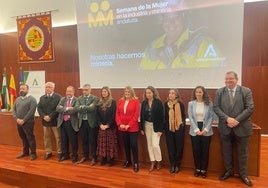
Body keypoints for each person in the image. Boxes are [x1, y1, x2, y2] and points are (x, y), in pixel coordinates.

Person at [140, 11, 224, 69]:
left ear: (184, 19)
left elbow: (212, 76)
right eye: (166, 18)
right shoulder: (152, 47)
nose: (171, 22)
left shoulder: (204, 44)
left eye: (176, 18)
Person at [214, 71, 254, 187]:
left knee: (243, 153)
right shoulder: (220, 92)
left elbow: (250, 108)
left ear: (236, 79)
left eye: (230, 79)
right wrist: (227, 119)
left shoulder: (246, 91)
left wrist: (236, 120)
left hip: (242, 127)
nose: (228, 81)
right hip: (225, 127)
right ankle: (229, 171)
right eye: (226, 79)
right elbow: (216, 107)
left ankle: (243, 175)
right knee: (226, 152)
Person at [188, 86, 214, 178]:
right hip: (194, 129)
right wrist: (196, 130)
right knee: (196, 150)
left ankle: (203, 169)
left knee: (205, 151)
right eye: (197, 92)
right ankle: (197, 168)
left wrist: (206, 129)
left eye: (200, 92)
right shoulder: (191, 103)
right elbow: (190, 117)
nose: (198, 94)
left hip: (206, 130)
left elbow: (211, 117)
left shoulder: (209, 103)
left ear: (203, 93)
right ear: (195, 94)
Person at [116, 86, 140, 172]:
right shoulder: (120, 101)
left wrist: (129, 125)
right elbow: (117, 114)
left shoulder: (136, 101)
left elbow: (136, 115)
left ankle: (136, 163)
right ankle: (128, 161)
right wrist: (120, 124)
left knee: (133, 145)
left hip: (132, 127)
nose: (127, 93)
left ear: (131, 92)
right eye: (125, 92)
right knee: (126, 145)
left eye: (128, 92)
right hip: (122, 127)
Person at [140, 86, 164, 172]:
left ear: (153, 93)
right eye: (147, 93)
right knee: (149, 145)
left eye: (150, 93)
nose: (148, 94)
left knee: (155, 145)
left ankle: (158, 161)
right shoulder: (144, 103)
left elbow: (162, 117)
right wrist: (142, 128)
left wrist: (161, 130)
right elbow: (142, 116)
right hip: (147, 125)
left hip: (156, 126)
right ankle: (152, 162)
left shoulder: (158, 102)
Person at [75, 84, 99, 165]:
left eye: (86, 90)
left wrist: (83, 107)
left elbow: (92, 108)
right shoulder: (79, 98)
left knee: (92, 141)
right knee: (84, 141)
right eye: (83, 90)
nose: (84, 91)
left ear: (90, 90)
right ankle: (85, 156)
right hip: (82, 122)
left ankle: (94, 158)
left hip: (91, 123)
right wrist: (86, 107)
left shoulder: (95, 98)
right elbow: (77, 108)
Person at [37, 82, 61, 161]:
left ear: (53, 88)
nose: (47, 88)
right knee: (46, 138)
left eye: (49, 87)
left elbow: (58, 109)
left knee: (58, 138)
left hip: (55, 121)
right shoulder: (42, 97)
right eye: (46, 87)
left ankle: (60, 152)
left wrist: (50, 116)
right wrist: (44, 116)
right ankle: (48, 152)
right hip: (45, 122)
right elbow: (39, 108)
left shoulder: (58, 97)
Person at [13, 84, 37, 160]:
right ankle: (25, 152)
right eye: (20, 89)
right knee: (23, 137)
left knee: (30, 138)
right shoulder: (17, 99)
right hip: (18, 122)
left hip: (28, 122)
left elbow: (31, 111)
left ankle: (33, 153)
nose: (21, 90)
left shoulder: (32, 99)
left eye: (23, 89)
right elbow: (13, 110)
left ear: (28, 90)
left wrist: (24, 120)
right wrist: (17, 119)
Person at [164, 88, 186, 174]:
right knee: (171, 147)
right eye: (170, 93)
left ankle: (177, 165)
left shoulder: (180, 104)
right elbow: (165, 117)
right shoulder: (166, 104)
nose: (171, 95)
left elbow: (183, 116)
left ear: (176, 95)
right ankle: (172, 164)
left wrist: (181, 125)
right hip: (169, 129)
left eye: (173, 93)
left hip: (179, 129)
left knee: (179, 147)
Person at [96, 86, 118, 166]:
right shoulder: (99, 102)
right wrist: (100, 124)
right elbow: (97, 115)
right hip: (101, 127)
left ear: (108, 92)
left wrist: (108, 125)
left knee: (110, 144)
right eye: (102, 92)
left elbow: (114, 115)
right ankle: (104, 158)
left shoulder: (113, 102)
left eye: (105, 91)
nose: (104, 93)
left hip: (110, 127)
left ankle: (111, 159)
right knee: (102, 144)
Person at [56, 86, 79, 163]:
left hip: (72, 123)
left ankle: (74, 156)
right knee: (64, 140)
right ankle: (65, 155)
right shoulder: (62, 99)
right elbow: (58, 109)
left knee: (73, 141)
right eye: (67, 91)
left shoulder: (76, 100)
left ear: (73, 92)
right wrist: (68, 108)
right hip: (63, 122)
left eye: (70, 91)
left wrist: (64, 109)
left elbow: (75, 110)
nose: (68, 93)